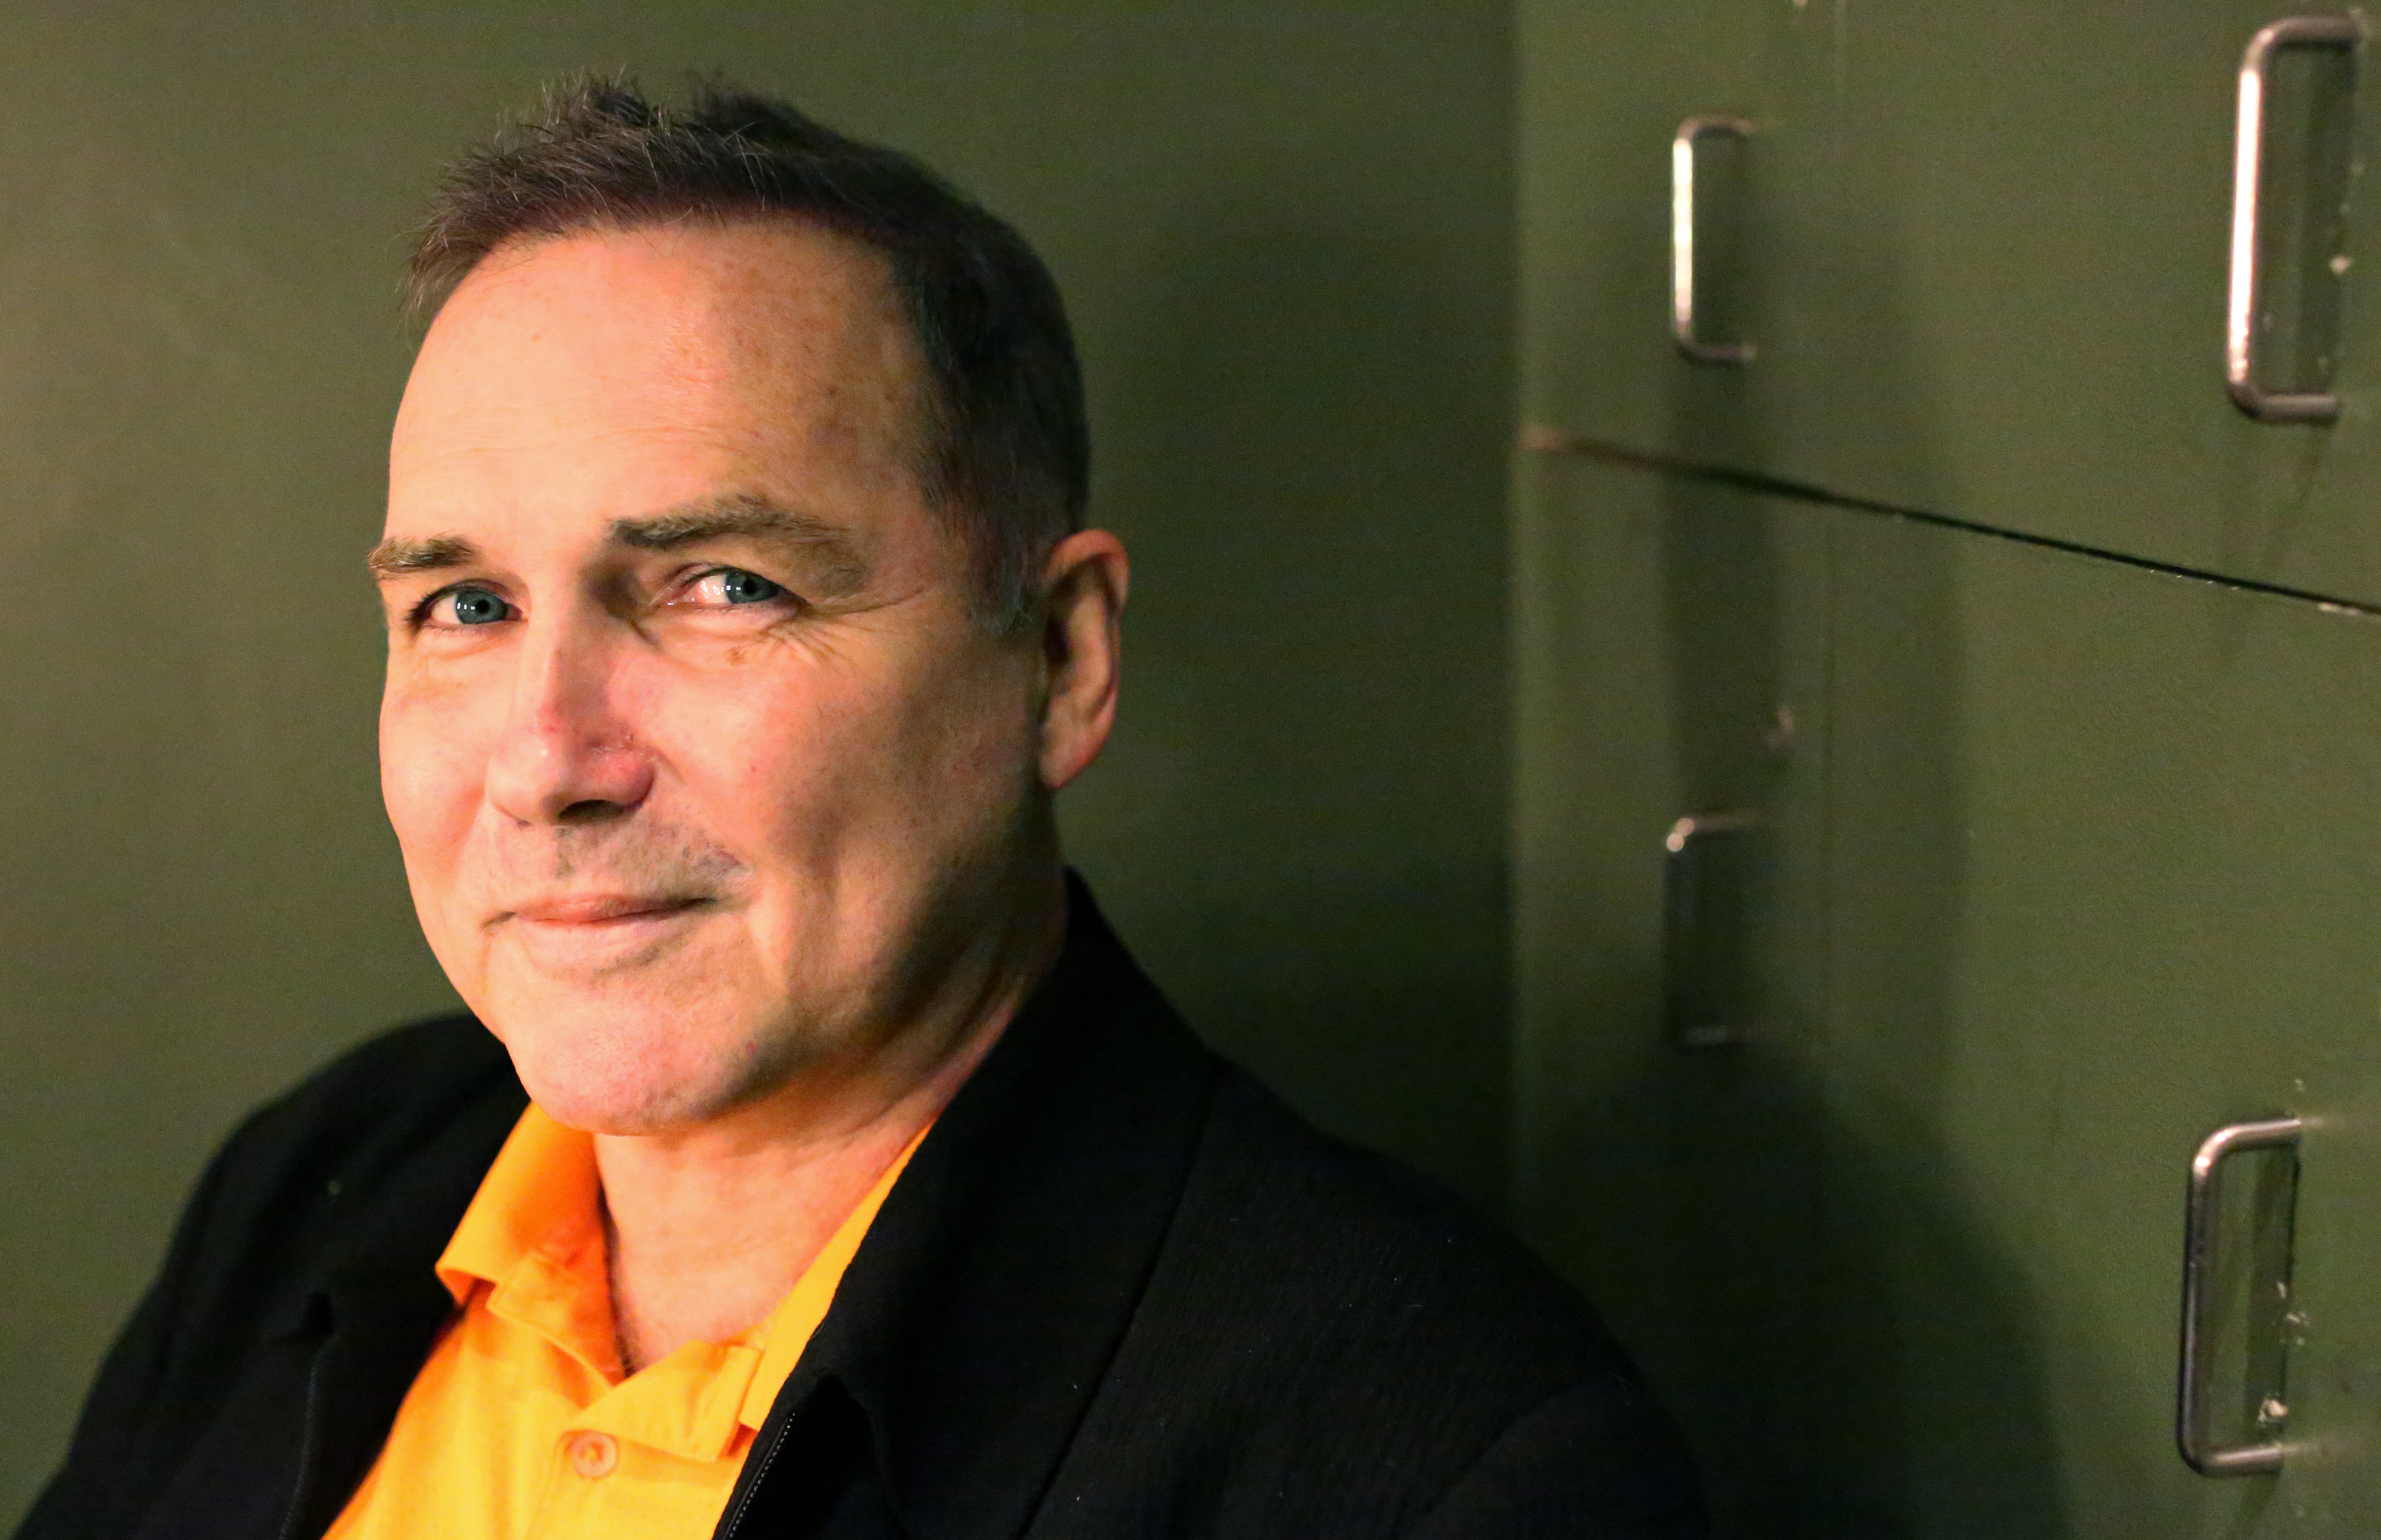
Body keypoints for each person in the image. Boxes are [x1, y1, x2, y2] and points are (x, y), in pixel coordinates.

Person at [18, 78, 1703, 1540]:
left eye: (722, 586)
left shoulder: (1428, 1469)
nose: (547, 759)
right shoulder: (326, 1175)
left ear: (1056, 661)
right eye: (466, 607)